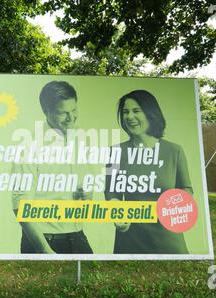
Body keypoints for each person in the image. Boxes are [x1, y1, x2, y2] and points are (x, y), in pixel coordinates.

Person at [105, 90, 192, 254]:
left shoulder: (174, 151)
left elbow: (186, 190)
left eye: (136, 111)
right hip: (129, 241)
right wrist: (117, 213)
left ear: (151, 113)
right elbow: (111, 193)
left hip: (168, 242)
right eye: (125, 112)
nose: (129, 117)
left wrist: (171, 208)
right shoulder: (114, 152)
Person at [11, 81, 94, 254]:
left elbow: (86, 192)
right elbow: (20, 206)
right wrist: (46, 252)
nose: (71, 117)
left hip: (77, 235)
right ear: (46, 112)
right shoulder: (29, 145)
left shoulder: (81, 139)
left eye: (74, 110)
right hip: (44, 241)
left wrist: (87, 194)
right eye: (63, 113)